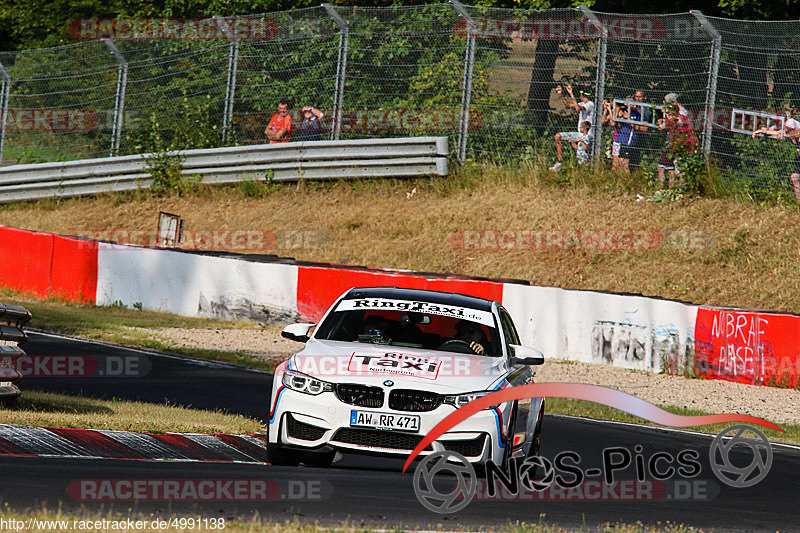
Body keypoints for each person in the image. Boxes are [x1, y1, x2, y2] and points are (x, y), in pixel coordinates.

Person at [753, 105, 800, 199]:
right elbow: (770, 130)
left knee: (795, 177)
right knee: (794, 177)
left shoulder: (790, 122)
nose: (775, 121)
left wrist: (772, 132)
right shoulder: (778, 126)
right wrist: (760, 131)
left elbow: (785, 133)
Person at [550, 83, 595, 171]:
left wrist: (571, 94)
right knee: (558, 136)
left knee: (583, 156)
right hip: (579, 134)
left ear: (582, 95)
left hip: (586, 135)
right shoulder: (581, 103)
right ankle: (560, 161)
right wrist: (561, 95)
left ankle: (584, 169)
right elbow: (568, 105)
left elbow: (578, 108)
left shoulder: (590, 104)